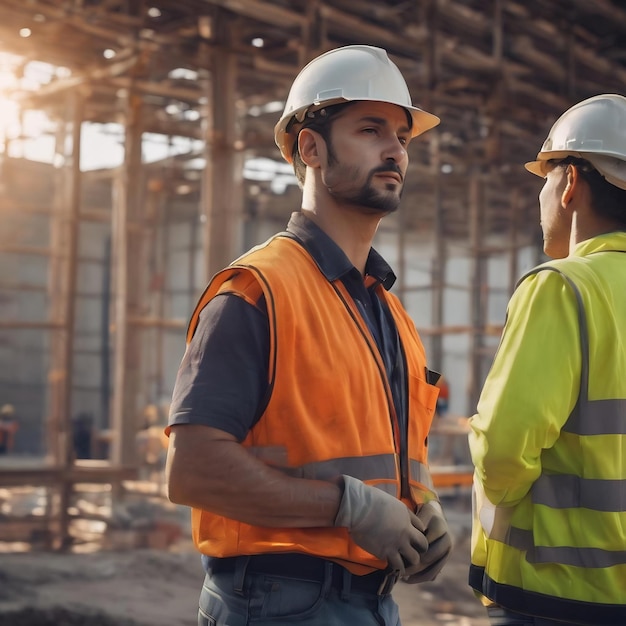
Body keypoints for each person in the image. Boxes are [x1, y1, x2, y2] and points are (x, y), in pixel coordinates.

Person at [166, 45, 452, 626]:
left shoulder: (388, 311)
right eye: (370, 129)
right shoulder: (256, 292)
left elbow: (363, 453)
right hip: (276, 601)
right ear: (310, 148)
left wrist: (419, 507)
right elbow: (192, 469)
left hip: (373, 600)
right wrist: (348, 508)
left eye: (401, 135)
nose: (395, 148)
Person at [468, 93, 626, 626]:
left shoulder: (562, 288)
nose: (541, 191)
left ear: (572, 184)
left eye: (545, 176)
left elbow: (504, 448)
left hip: (554, 590)